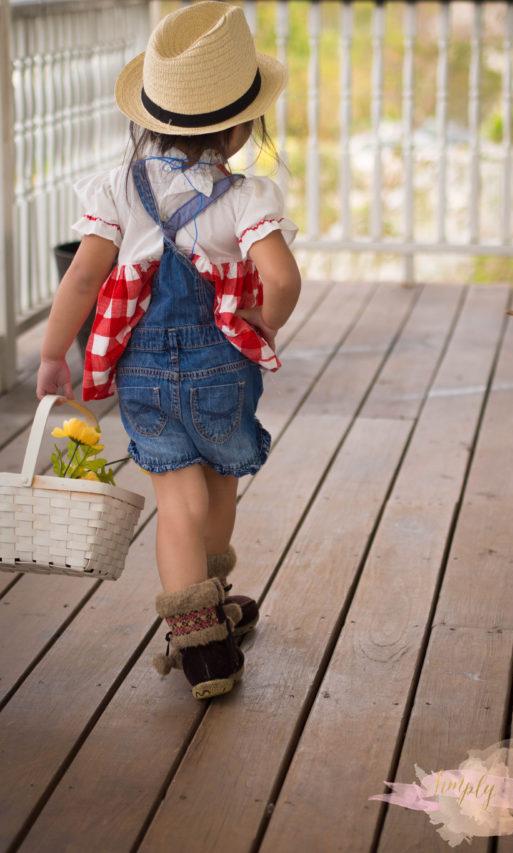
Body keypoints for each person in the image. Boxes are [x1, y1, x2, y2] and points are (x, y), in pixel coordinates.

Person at [36, 1, 300, 700]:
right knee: (217, 483)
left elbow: (84, 276)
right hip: (223, 366)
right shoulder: (246, 196)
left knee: (175, 497)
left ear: (147, 118)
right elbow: (282, 278)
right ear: (242, 127)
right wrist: (263, 321)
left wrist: (52, 353)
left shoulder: (118, 189)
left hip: (145, 372)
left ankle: (200, 639)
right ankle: (208, 608)